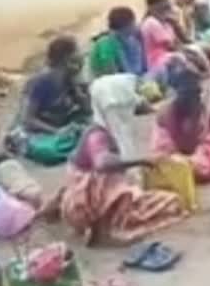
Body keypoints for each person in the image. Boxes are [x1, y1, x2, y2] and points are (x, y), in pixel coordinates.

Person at [61, 74, 185, 246]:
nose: (125, 111)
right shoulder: (97, 135)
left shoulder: (111, 127)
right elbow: (102, 163)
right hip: (88, 207)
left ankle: (115, 216)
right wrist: (143, 160)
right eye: (121, 107)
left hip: (89, 203)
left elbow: (141, 106)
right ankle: (109, 225)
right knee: (172, 203)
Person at [6, 36, 90, 165]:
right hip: (35, 131)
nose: (80, 56)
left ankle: (71, 142)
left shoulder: (69, 76)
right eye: (76, 53)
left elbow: (87, 108)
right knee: (49, 151)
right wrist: (56, 132)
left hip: (59, 123)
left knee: (92, 122)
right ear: (66, 58)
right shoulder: (40, 82)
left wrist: (77, 85)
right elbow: (28, 120)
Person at [151, 70, 210, 183]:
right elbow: (160, 153)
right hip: (181, 157)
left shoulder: (208, 112)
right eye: (184, 94)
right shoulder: (166, 115)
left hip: (204, 153)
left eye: (191, 94)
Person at [88, 7, 147, 79]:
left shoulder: (131, 39)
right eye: (132, 23)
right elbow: (110, 74)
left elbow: (141, 67)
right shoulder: (106, 44)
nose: (135, 26)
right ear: (126, 27)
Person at [140, 0, 184, 71]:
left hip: (166, 57)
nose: (169, 1)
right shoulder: (151, 22)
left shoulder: (164, 20)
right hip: (156, 61)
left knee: (190, 52)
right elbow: (170, 45)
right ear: (158, 3)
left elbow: (177, 41)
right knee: (183, 57)